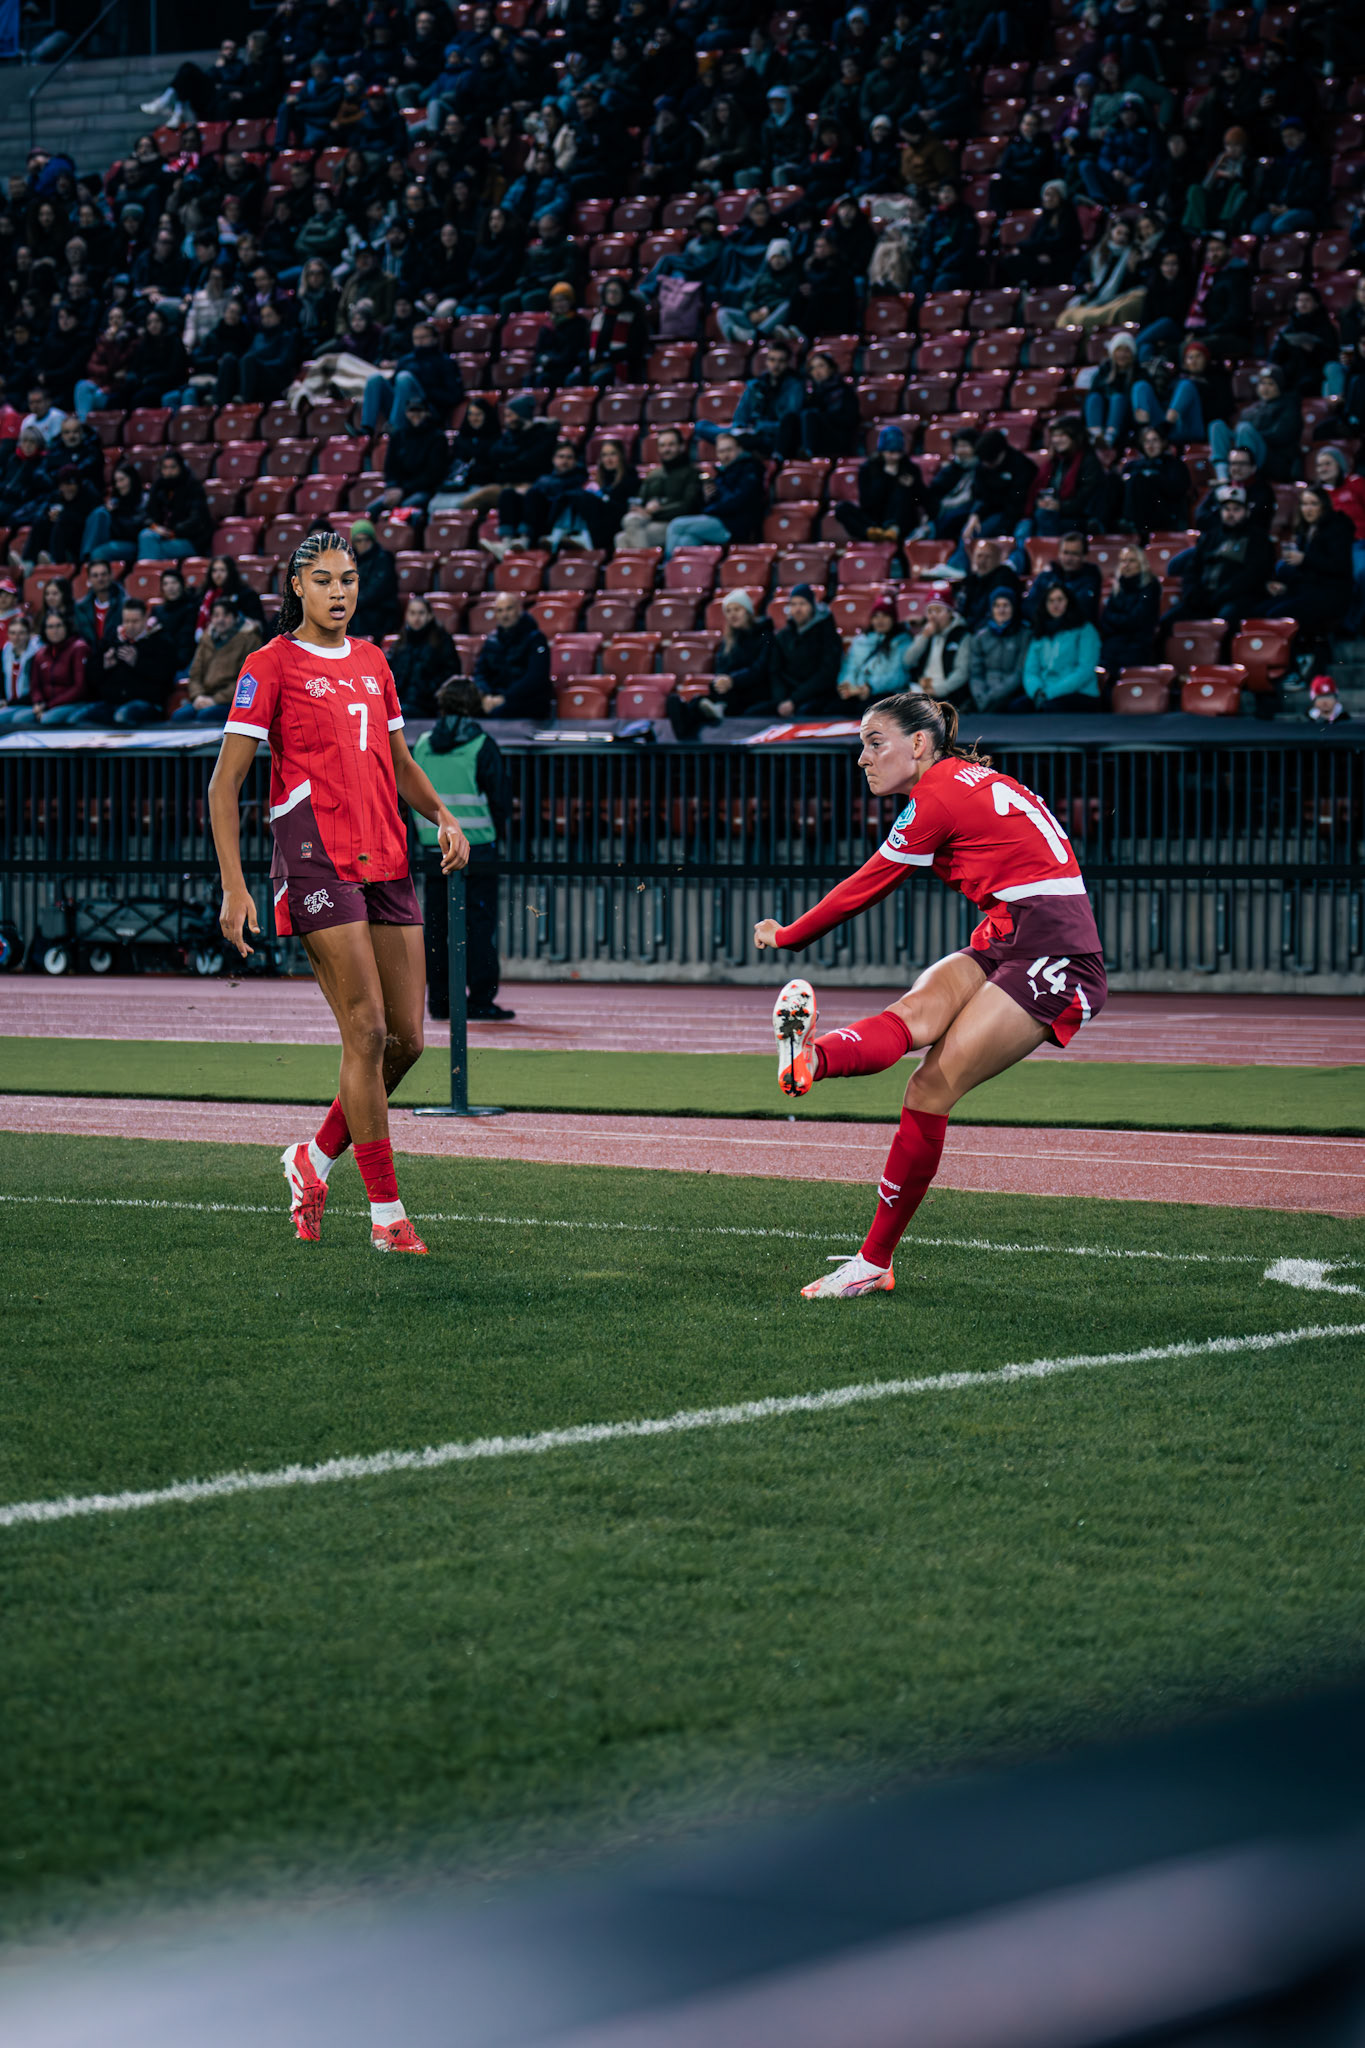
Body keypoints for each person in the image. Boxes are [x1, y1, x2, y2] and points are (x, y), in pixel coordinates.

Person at [753, 694, 1106, 1297]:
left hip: (1055, 953)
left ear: (919, 743)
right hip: (1009, 932)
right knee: (913, 1015)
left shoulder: (936, 796)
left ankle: (872, 1265)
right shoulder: (966, 780)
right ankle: (810, 1059)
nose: (862, 758)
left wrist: (786, 935)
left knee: (930, 1086)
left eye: (874, 741)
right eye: (860, 744)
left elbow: (863, 887)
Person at [209, 528, 471, 1256]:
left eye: (348, 579)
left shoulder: (374, 661)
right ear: (297, 586)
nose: (338, 592)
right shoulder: (269, 664)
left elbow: (401, 763)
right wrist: (235, 887)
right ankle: (387, 1217)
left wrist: (442, 815)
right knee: (364, 1031)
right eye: (322, 579)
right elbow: (224, 783)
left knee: (407, 1042)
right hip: (315, 856)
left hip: (387, 853)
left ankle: (312, 1158)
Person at [410, 676, 513, 1021]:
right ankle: (480, 999)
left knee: (438, 928)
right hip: (478, 849)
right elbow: (500, 801)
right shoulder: (482, 744)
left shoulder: (422, 743)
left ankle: (439, 1001)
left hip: (433, 849)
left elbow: (407, 791)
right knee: (479, 926)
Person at [1168, 489, 1275, 626]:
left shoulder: (1258, 539)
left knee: (1226, 619)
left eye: (1236, 509)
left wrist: (1219, 595)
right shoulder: (1210, 537)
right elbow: (1192, 569)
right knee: (1168, 622)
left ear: (1247, 512)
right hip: (1204, 597)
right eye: (1226, 509)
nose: (1230, 514)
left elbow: (1252, 576)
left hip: (1234, 599)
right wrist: (1193, 594)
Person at [76, 595, 176, 725]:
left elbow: (166, 675)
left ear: (146, 618)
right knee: (78, 720)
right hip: (111, 702)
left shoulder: (160, 640)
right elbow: (91, 675)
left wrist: (137, 662)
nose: (130, 626)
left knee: (122, 717)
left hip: (146, 703)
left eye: (135, 621)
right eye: (127, 621)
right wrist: (105, 665)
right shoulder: (112, 639)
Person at [664, 432, 765, 557]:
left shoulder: (750, 469)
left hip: (735, 525)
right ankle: (685, 574)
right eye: (721, 451)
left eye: (729, 450)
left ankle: (666, 570)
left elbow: (737, 501)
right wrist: (708, 497)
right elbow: (715, 502)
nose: (725, 455)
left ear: (739, 449)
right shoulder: (722, 472)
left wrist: (713, 502)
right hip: (718, 520)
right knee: (687, 541)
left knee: (676, 525)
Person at [172, 595, 263, 723]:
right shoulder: (206, 639)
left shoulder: (250, 640)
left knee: (205, 716)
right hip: (204, 698)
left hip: (231, 701)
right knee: (179, 717)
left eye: (225, 615)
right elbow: (195, 674)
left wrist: (215, 700)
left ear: (236, 618)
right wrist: (198, 696)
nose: (220, 620)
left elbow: (247, 681)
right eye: (216, 616)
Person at [834, 426, 927, 542]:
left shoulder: (910, 468)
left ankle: (893, 529)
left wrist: (913, 486)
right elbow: (866, 502)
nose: (895, 457)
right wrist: (885, 477)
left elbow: (920, 500)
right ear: (882, 451)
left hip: (900, 520)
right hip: (874, 518)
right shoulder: (867, 469)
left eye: (898, 452)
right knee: (841, 508)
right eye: (891, 452)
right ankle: (871, 532)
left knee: (903, 489)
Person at [617, 426, 702, 550]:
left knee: (622, 538)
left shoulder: (692, 473)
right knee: (630, 521)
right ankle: (644, 566)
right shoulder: (653, 475)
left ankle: (644, 566)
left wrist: (656, 512)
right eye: (662, 445)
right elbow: (640, 502)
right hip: (649, 520)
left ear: (682, 447)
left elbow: (688, 506)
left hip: (674, 523)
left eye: (671, 445)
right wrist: (642, 510)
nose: (666, 449)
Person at [1021, 585, 1102, 712]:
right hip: (1044, 692)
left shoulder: (1085, 630)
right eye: (1051, 600)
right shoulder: (1040, 633)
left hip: (1080, 692)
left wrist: (1049, 693)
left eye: (1060, 599)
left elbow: (1084, 670)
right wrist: (1036, 691)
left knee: (1051, 708)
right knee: (1017, 707)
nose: (1055, 605)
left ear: (1069, 602)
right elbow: (1030, 671)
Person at [768, 584, 843, 719]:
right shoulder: (783, 636)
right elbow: (775, 671)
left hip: (818, 696)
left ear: (812, 606)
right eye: (793, 604)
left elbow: (827, 674)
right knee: (753, 712)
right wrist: (781, 701)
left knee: (804, 713)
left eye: (802, 604)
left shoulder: (827, 633)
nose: (797, 609)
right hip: (788, 698)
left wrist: (793, 700)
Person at [474, 591, 551, 719]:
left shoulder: (536, 639)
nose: (504, 615)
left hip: (526, 701)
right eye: (500, 611)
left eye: (509, 609)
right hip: (495, 698)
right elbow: (480, 673)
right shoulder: (491, 641)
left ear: (519, 609)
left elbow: (535, 677)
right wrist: (486, 696)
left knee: (499, 713)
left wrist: (505, 698)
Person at [1098, 544, 1161, 683]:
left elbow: (1137, 620)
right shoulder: (1118, 586)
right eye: (1123, 561)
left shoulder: (1150, 586)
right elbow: (1105, 619)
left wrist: (1117, 621)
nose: (1126, 565)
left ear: (1141, 564)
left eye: (1131, 561)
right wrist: (1121, 621)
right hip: (1114, 642)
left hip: (1137, 644)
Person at [390, 595, 460, 719]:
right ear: (406, 616)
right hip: (401, 701)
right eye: (412, 613)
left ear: (430, 615)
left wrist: (429, 690)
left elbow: (451, 673)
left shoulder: (442, 640)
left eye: (421, 613)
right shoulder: (400, 643)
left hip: (429, 704)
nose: (416, 618)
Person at [837, 594, 915, 705]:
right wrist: (848, 685)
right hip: (857, 692)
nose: (880, 620)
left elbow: (898, 676)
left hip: (887, 694)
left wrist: (870, 687)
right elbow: (850, 666)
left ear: (893, 619)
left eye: (885, 615)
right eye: (876, 616)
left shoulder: (903, 641)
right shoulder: (861, 640)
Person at [1120, 423, 1191, 538]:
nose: (1150, 445)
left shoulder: (1175, 465)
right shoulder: (1132, 466)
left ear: (1163, 442)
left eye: (1155, 440)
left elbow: (1177, 490)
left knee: (1138, 479)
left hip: (1164, 514)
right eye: (1146, 441)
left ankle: (1131, 523)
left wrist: (1152, 478)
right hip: (1138, 514)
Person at [965, 588, 1031, 711]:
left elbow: (1019, 673)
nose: (1001, 610)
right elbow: (976, 673)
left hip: (1010, 693)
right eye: (997, 606)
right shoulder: (980, 637)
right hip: (984, 694)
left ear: (1013, 608)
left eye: (1006, 605)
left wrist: (992, 696)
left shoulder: (1024, 634)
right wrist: (980, 695)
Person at [906, 595, 970, 703]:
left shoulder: (962, 635)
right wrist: (924, 637)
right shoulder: (925, 634)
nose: (933, 616)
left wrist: (940, 690)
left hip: (947, 693)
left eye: (938, 611)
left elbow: (962, 672)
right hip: (922, 689)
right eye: (930, 611)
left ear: (950, 613)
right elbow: (908, 661)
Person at [347, 519, 400, 641]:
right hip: (357, 610)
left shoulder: (384, 559)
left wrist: (349, 602)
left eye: (366, 539)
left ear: (372, 540)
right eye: (358, 541)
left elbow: (375, 592)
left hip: (380, 612)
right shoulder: (350, 561)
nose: (363, 544)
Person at [0, 613, 37, 728]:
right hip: (10, 703)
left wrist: (9, 703)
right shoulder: (5, 653)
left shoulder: (36, 655)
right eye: (12, 633)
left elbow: (35, 690)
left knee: (14, 718)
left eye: (21, 633)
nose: (16, 637)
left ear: (29, 634)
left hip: (29, 704)